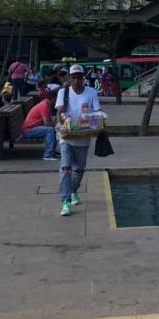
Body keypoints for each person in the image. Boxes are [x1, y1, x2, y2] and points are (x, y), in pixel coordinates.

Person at [55, 64, 102, 216]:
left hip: (83, 137)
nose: (76, 80)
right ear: (70, 78)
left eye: (79, 77)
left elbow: (96, 112)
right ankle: (66, 201)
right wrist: (63, 123)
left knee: (79, 169)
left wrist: (97, 118)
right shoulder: (63, 92)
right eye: (73, 77)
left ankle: (73, 190)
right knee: (66, 168)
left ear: (83, 78)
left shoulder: (91, 92)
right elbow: (59, 112)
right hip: (66, 137)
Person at [20, 89, 58, 160]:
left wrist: (56, 124)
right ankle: (48, 155)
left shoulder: (47, 104)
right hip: (28, 130)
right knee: (50, 130)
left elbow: (49, 121)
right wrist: (56, 125)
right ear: (54, 98)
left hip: (33, 128)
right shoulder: (45, 106)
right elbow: (47, 123)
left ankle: (52, 151)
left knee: (53, 129)